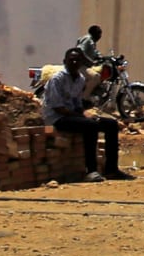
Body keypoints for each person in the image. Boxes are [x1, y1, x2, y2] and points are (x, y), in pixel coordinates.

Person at [41, 48, 127, 181]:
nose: (74, 62)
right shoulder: (57, 79)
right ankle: (90, 170)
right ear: (65, 61)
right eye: (71, 60)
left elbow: (77, 104)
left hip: (72, 115)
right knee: (91, 125)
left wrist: (86, 113)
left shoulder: (80, 79)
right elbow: (58, 108)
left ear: (81, 62)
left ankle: (111, 169)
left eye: (77, 60)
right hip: (57, 118)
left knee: (111, 124)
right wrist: (82, 117)